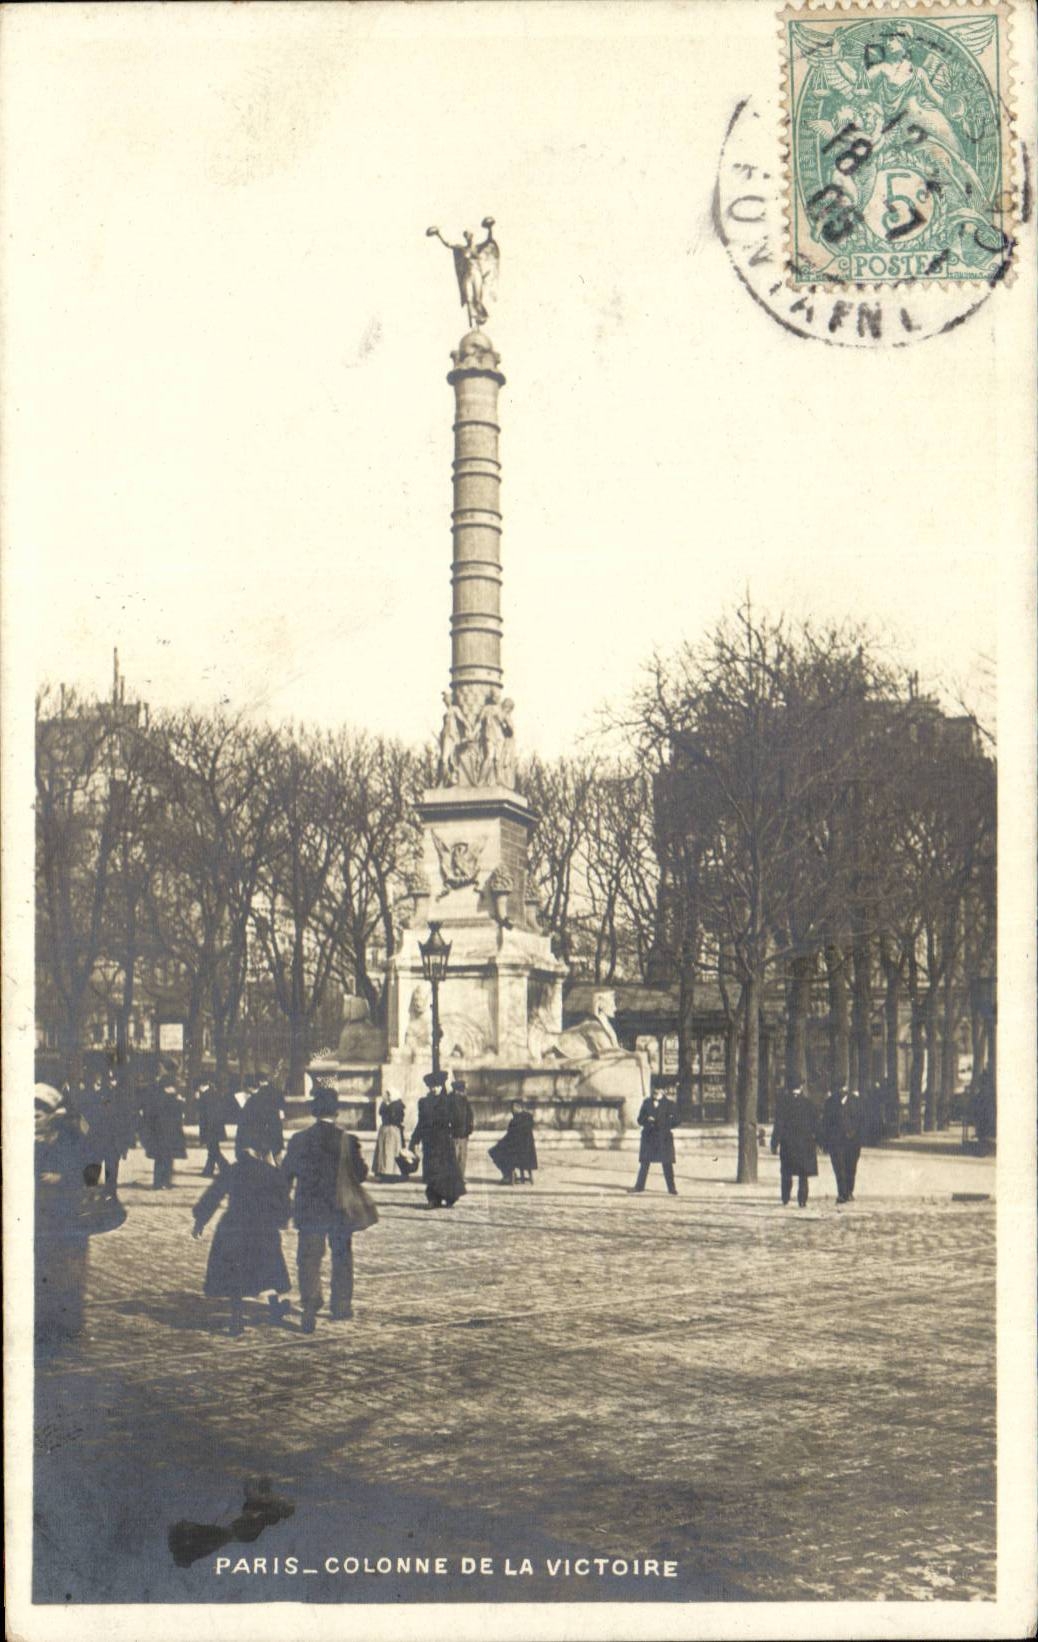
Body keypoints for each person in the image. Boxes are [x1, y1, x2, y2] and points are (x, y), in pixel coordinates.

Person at [282, 1085, 374, 1332]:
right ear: (336, 1113)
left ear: (314, 1111)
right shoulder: (347, 1141)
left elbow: (286, 1174)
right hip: (339, 1208)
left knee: (309, 1258)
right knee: (342, 1255)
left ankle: (310, 1303)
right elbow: (361, 1174)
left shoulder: (299, 1140)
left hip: (309, 1209)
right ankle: (341, 1305)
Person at [192, 1145, 292, 1336]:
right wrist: (282, 1219)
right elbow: (283, 1200)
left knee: (235, 1273)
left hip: (234, 1226)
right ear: (260, 1152)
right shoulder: (270, 1172)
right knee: (269, 1270)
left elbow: (214, 1195)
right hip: (262, 1227)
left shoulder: (233, 1170)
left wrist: (200, 1221)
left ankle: (236, 1318)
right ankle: (275, 1307)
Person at [410, 1071, 466, 1208]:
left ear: (442, 1086)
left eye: (437, 1086)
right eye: (431, 1086)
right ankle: (433, 1199)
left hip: (444, 1141)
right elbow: (421, 1123)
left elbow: (457, 1120)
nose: (434, 1089)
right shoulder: (423, 1102)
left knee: (446, 1170)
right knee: (431, 1170)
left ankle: (449, 1196)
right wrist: (414, 1140)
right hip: (429, 1141)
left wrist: (455, 1132)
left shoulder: (449, 1101)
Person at [770, 1083, 820, 1207]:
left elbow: (778, 1125)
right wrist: (819, 1142)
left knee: (786, 1172)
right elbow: (816, 1125)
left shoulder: (783, 1104)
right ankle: (802, 1199)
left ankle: (785, 1197)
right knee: (803, 1174)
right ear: (801, 1087)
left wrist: (774, 1142)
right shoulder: (809, 1104)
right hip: (805, 1144)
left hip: (788, 1144)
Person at [139, 1078, 188, 1189]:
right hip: (169, 1133)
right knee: (167, 1159)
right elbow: (178, 1115)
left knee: (160, 1159)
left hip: (159, 1134)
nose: (175, 1089)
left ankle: (159, 1182)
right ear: (168, 1088)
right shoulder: (172, 1099)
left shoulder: (156, 1098)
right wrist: (180, 1101)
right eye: (173, 1087)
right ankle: (164, 1182)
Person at [631, 1086, 679, 1194]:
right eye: (654, 1091)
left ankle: (671, 1188)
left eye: (658, 1090)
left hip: (664, 1137)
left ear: (663, 1091)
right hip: (649, 1137)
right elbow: (639, 1119)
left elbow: (677, 1120)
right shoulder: (646, 1103)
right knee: (645, 1163)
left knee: (667, 1164)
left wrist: (665, 1125)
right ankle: (639, 1186)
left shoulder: (669, 1104)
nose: (656, 1093)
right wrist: (647, 1120)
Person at [821, 1083, 864, 1204]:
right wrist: (825, 1142)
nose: (842, 1090)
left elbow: (861, 1120)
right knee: (839, 1168)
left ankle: (849, 1191)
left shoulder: (856, 1102)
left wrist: (856, 1134)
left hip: (853, 1142)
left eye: (844, 1087)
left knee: (851, 1168)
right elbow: (825, 1123)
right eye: (840, 1088)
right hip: (836, 1142)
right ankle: (842, 1193)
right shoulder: (830, 1103)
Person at [237, 1074, 285, 1162]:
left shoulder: (257, 1096)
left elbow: (251, 1115)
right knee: (277, 1154)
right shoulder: (277, 1092)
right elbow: (282, 1113)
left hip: (262, 1129)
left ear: (259, 1082)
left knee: (264, 1153)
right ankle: (284, 1173)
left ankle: (269, 1173)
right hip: (276, 1126)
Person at [489, 1101, 538, 1186]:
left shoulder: (516, 1120)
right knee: (498, 1151)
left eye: (513, 1108)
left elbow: (511, 1136)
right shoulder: (528, 1117)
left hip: (517, 1151)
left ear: (518, 1107)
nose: (511, 1110)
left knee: (494, 1152)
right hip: (528, 1151)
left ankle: (508, 1175)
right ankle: (509, 1175)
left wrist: (501, 1143)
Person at [196, 1080, 229, 1178]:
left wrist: (197, 1099)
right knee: (213, 1149)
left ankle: (226, 1168)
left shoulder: (206, 1096)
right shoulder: (214, 1093)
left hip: (210, 1127)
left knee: (213, 1150)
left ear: (201, 1086)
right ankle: (209, 1170)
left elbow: (206, 1113)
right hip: (215, 1127)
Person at [446, 1075, 475, 1181]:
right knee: (459, 1156)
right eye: (463, 1090)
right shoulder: (455, 1100)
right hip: (457, 1132)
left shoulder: (462, 1100)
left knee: (458, 1155)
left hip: (460, 1132)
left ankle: (458, 1176)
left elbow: (469, 1115)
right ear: (459, 1090)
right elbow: (469, 1116)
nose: (465, 1092)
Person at [372, 1092, 405, 1180]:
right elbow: (380, 1113)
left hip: (393, 1130)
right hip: (385, 1129)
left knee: (391, 1151)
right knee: (383, 1151)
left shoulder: (398, 1105)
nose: (388, 1096)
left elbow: (396, 1118)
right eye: (387, 1095)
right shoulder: (385, 1104)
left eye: (389, 1095)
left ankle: (391, 1173)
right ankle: (382, 1171)